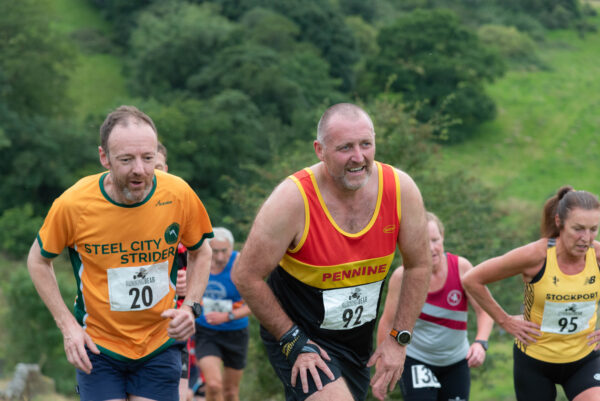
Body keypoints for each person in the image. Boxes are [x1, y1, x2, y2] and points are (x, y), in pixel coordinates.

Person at [232, 103, 432, 401]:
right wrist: (292, 339)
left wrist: (398, 339)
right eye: (345, 148)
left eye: (366, 144)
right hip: (301, 337)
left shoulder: (400, 188)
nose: (358, 157)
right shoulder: (292, 200)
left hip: (356, 343)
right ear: (319, 150)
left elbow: (418, 265)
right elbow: (245, 275)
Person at [27, 105, 214, 401]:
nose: (139, 169)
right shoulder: (74, 204)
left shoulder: (178, 194)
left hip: (159, 342)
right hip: (99, 346)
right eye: (126, 160)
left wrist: (191, 306)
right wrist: (68, 327)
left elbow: (202, 251)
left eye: (148, 158)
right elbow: (38, 260)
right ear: (105, 158)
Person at [462, 186, 600, 401]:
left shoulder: (597, 256)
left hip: (584, 358)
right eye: (578, 229)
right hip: (535, 361)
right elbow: (472, 279)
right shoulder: (537, 256)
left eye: (594, 229)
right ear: (559, 223)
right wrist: (504, 320)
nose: (586, 238)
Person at [377, 211, 494, 401]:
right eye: (423, 241)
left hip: (456, 362)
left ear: (443, 239)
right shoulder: (402, 277)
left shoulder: (462, 268)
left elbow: (485, 311)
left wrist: (481, 343)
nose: (431, 248)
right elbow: (387, 323)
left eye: (435, 240)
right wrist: (383, 370)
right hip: (416, 360)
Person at [155, 142, 199, 401]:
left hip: (173, 323)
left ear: (166, 169)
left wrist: (189, 288)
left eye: (158, 166)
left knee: (180, 396)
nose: (154, 173)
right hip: (126, 327)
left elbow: (201, 254)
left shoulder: (180, 203)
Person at [194, 227, 251, 401]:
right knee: (213, 385)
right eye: (215, 251)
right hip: (206, 331)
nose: (219, 257)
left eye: (224, 251)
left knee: (230, 392)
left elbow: (254, 305)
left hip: (236, 332)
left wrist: (228, 316)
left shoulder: (240, 263)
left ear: (231, 248)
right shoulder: (200, 260)